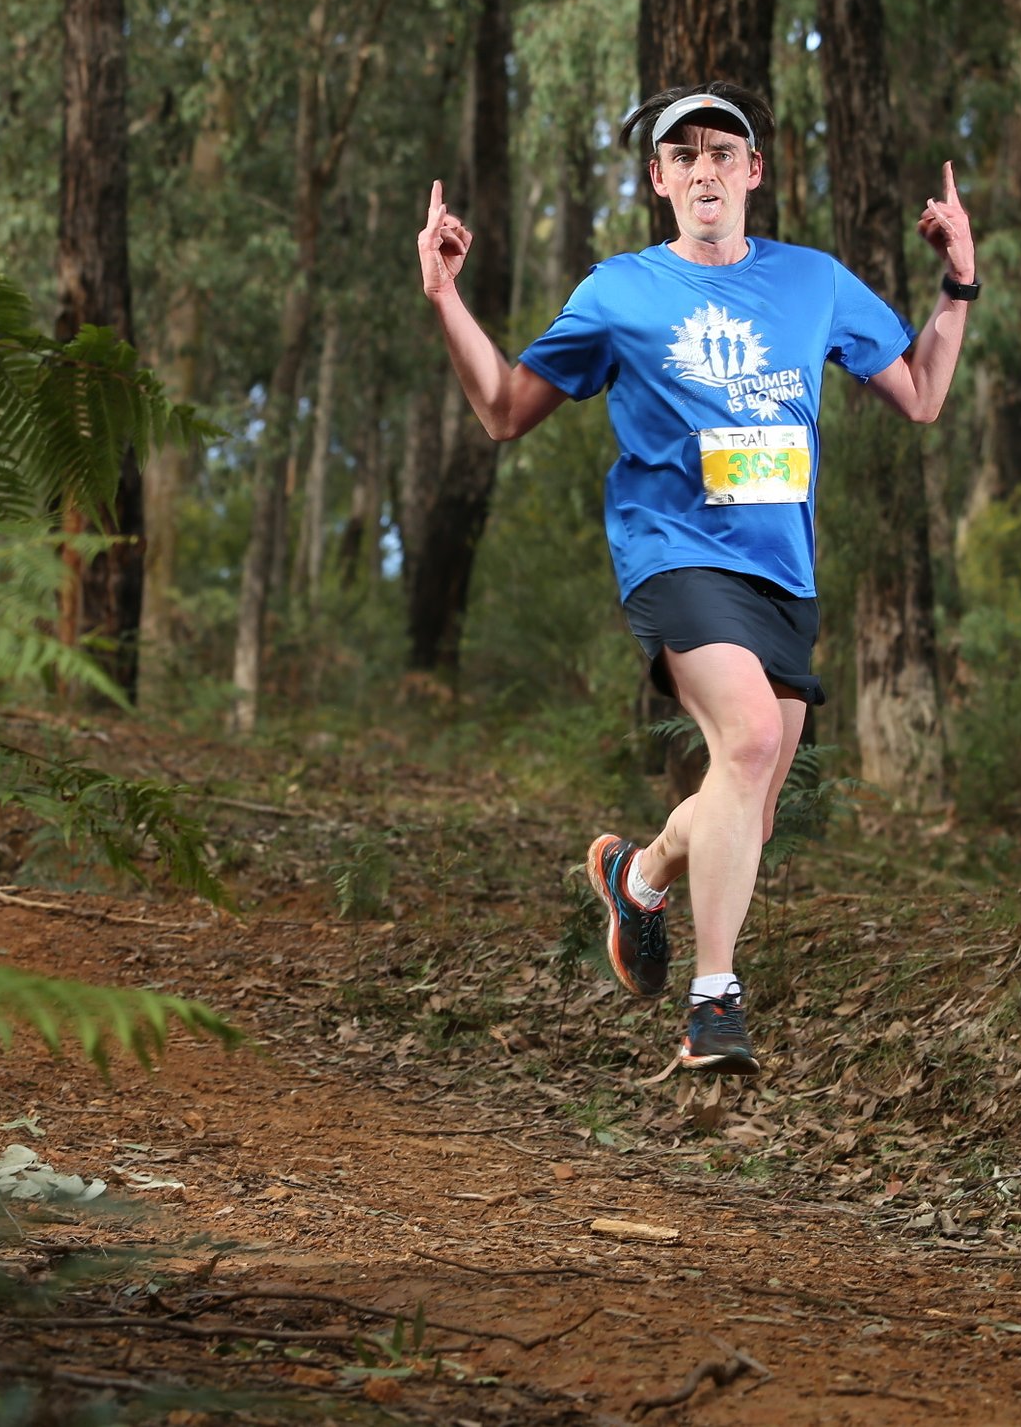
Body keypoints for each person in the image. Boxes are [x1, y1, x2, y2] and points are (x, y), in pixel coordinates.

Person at [416, 81, 977, 1075]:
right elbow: (504, 407)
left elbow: (923, 395)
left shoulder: (815, 282)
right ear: (658, 180)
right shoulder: (620, 291)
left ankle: (641, 873)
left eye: (722, 149)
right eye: (683, 154)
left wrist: (955, 288)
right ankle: (714, 999)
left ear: (753, 171)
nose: (703, 166)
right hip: (671, 551)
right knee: (753, 738)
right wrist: (445, 297)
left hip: (780, 573)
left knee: (746, 805)